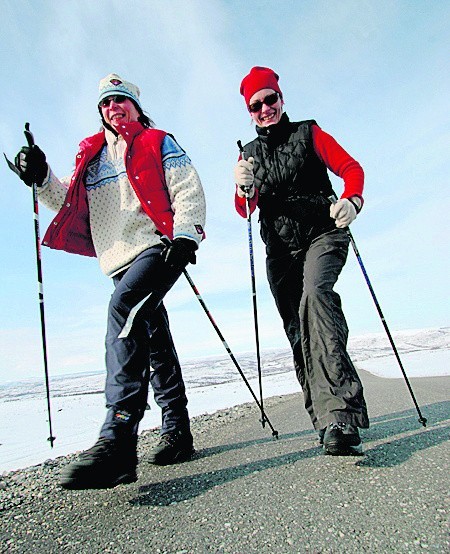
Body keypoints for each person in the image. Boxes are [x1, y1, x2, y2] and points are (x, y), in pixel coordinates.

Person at [14, 73, 206, 488]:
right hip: (118, 260)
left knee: (122, 310)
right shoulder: (92, 155)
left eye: (121, 100)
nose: (113, 107)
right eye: (106, 103)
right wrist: (40, 174)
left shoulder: (157, 141)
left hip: (158, 246)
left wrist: (187, 234)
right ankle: (178, 430)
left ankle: (118, 439)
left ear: (135, 106)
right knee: (152, 334)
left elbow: (186, 186)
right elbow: (64, 200)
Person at [233, 66, 369, 455]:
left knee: (316, 298)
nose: (264, 109)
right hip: (280, 251)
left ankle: (341, 415)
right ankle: (324, 420)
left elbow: (350, 168)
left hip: (323, 233)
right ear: (250, 110)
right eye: (256, 105)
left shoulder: (308, 133)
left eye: (270, 99)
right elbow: (244, 210)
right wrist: (243, 185)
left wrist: (352, 200)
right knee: (298, 330)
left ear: (280, 98)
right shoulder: (249, 154)